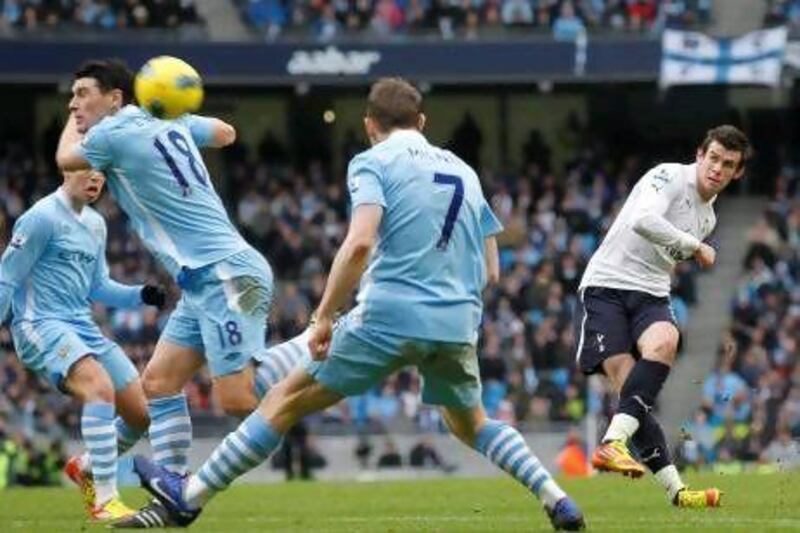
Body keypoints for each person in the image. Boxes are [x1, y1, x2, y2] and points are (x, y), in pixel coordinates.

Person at [131, 77, 585, 531]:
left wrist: (325, 314)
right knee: (472, 425)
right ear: (421, 122)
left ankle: (187, 496)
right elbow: (491, 272)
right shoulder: (464, 171)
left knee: (281, 400)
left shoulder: (372, 161)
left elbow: (360, 243)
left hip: (388, 314)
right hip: (456, 321)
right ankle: (556, 497)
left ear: (370, 125)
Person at [55, 59, 274, 525]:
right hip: (202, 281)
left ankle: (322, 353)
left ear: (116, 99)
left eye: (82, 93)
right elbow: (226, 133)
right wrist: (176, 111)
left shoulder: (113, 134)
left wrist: (72, 126)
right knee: (157, 384)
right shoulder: (161, 120)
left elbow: (65, 162)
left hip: (226, 273)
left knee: (237, 400)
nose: (74, 103)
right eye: (71, 97)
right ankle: (170, 492)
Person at [575, 125, 751, 507]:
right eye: (714, 158)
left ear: (738, 173)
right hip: (607, 286)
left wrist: (693, 244)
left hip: (652, 292)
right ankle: (675, 490)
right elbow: (642, 220)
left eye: (729, 164)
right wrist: (694, 246)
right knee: (629, 392)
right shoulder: (668, 175)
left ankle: (616, 446)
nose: (718, 168)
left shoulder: (709, 218)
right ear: (700, 154)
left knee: (665, 343)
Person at [0, 169, 164, 521]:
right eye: (86, 170)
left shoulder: (96, 223)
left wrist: (140, 295)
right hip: (40, 324)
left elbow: (98, 286)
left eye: (100, 173)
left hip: (82, 327)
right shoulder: (40, 218)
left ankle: (87, 467)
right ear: (65, 168)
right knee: (99, 387)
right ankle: (106, 500)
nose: (95, 179)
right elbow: (6, 277)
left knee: (140, 414)